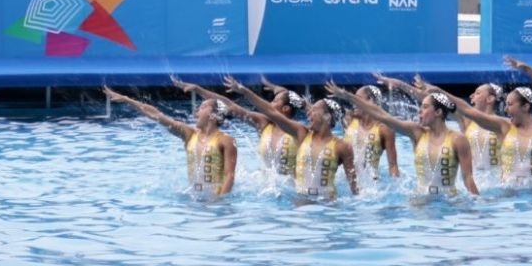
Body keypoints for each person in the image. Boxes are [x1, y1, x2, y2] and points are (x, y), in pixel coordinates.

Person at [326, 80, 479, 197]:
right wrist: (347, 96)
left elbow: (468, 178)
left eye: (425, 107)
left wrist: (477, 206)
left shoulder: (458, 140)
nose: (419, 111)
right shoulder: (417, 133)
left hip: (449, 202)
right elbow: (381, 115)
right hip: (420, 201)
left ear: (438, 112)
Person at [415, 78, 532, 190]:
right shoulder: (497, 126)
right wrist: (437, 93)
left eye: (510, 105)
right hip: (500, 189)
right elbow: (465, 109)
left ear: (525, 107)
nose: (506, 109)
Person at [223, 76, 358, 200]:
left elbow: (354, 187)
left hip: (329, 205)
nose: (309, 113)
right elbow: (270, 111)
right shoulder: (302, 134)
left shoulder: (343, 146)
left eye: (314, 110)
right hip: (301, 201)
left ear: (327, 117)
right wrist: (245, 91)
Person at [103, 86, 237, 196]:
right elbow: (157, 115)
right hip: (194, 198)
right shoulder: (189, 134)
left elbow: (229, 175)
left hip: (215, 200)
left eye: (202, 107)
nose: (196, 111)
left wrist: (219, 202)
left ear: (213, 115)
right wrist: (127, 100)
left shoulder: (226, 141)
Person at [171, 75, 306, 177]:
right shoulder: (263, 124)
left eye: (275, 101)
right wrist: (198, 90)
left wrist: (245, 91)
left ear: (286, 109)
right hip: (267, 186)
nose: (269, 103)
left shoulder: (297, 131)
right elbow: (230, 106)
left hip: (292, 187)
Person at [378, 73, 503, 179]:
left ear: (490, 99)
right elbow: (434, 101)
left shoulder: (503, 125)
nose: (471, 96)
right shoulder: (467, 121)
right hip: (470, 178)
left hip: (495, 181)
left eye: (477, 93)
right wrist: (399, 84)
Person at [342, 84, 400, 181]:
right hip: (344, 179)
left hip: (370, 183)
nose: (354, 103)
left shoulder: (384, 129)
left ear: (371, 102)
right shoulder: (349, 118)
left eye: (358, 99)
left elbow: (393, 165)